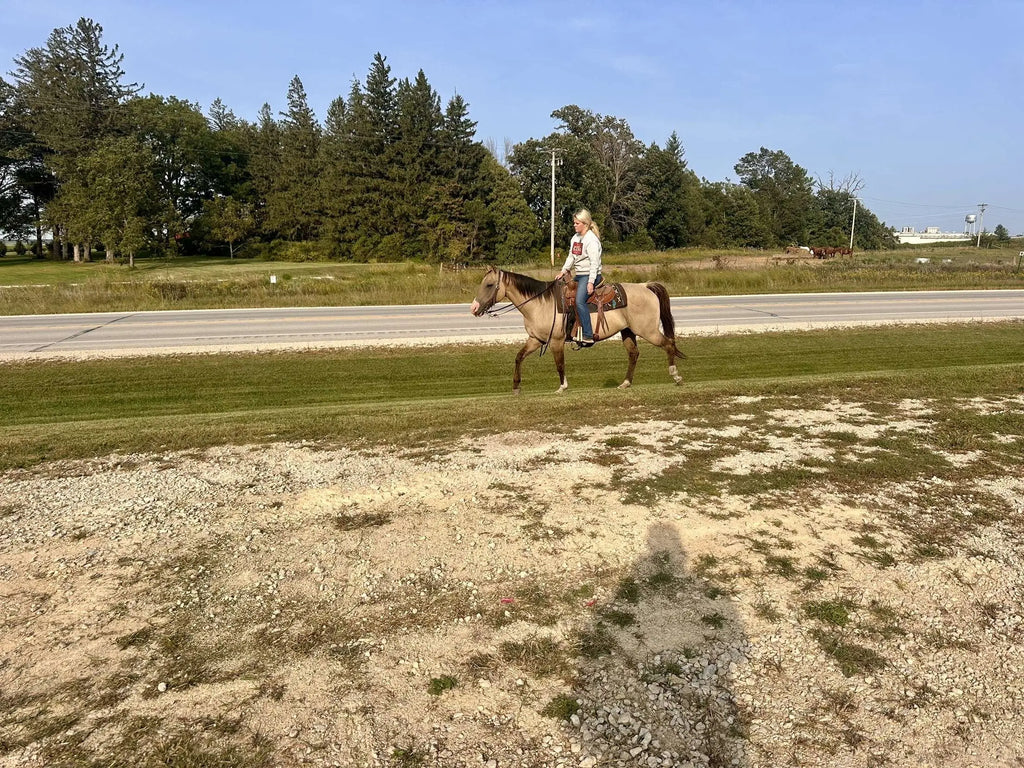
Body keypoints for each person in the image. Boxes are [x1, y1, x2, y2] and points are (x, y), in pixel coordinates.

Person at [555, 209, 603, 346]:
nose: (574, 225)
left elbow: (594, 264)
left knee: (579, 301)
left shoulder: (591, 240)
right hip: (580, 275)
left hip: (590, 275)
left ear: (585, 224)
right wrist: (563, 271)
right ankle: (570, 330)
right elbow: (571, 257)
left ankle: (588, 335)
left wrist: (590, 282)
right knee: (564, 295)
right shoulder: (575, 238)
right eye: (574, 223)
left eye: (577, 223)